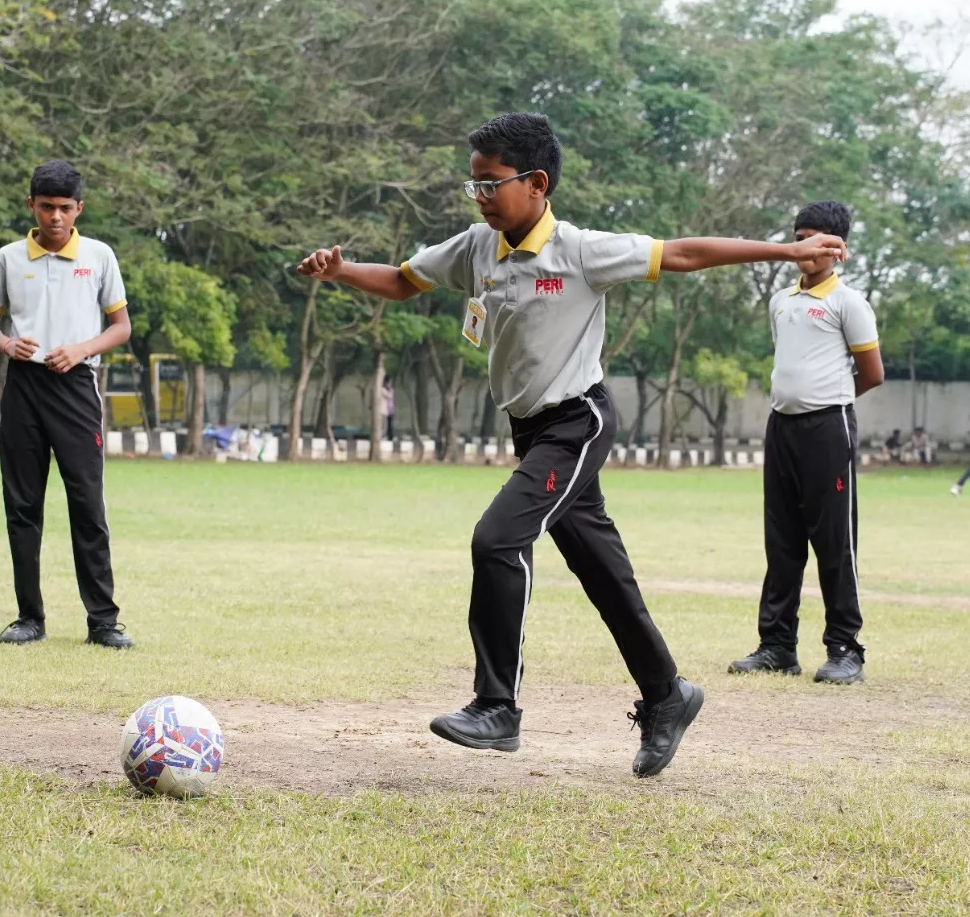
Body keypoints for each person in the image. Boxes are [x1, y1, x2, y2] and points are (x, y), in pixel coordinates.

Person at [295, 112, 849, 777]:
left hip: (577, 422)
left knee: (497, 538)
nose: (480, 197)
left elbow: (682, 254)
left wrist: (787, 253)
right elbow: (404, 280)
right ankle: (668, 695)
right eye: (473, 185)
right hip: (530, 430)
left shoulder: (581, 251)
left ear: (536, 183)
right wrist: (341, 270)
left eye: (490, 184)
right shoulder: (477, 247)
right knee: (604, 575)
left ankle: (496, 707)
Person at [0, 160, 135, 650]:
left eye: (66, 208)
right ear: (31, 205)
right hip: (23, 388)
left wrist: (82, 348)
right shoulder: (7, 259)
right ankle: (29, 618)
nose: (56, 217)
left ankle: (103, 622)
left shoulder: (99, 256)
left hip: (76, 389)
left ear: (79, 208)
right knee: (23, 506)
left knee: (87, 503)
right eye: (47, 207)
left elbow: (121, 327)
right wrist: (8, 346)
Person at [728, 202, 884, 685]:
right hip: (783, 428)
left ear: (837, 248)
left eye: (815, 237)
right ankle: (777, 645)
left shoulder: (848, 303)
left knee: (835, 542)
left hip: (828, 429)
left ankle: (845, 648)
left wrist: (829, 401)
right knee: (782, 539)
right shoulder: (781, 301)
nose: (804, 246)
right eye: (798, 236)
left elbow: (872, 373)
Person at [382, 377, 396, 441]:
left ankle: (390, 436)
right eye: (389, 383)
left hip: (390, 409)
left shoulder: (391, 390)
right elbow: (389, 396)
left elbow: (392, 399)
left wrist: (393, 409)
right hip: (385, 410)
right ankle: (385, 436)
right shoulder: (383, 390)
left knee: (390, 424)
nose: (390, 384)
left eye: (391, 383)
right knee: (385, 424)